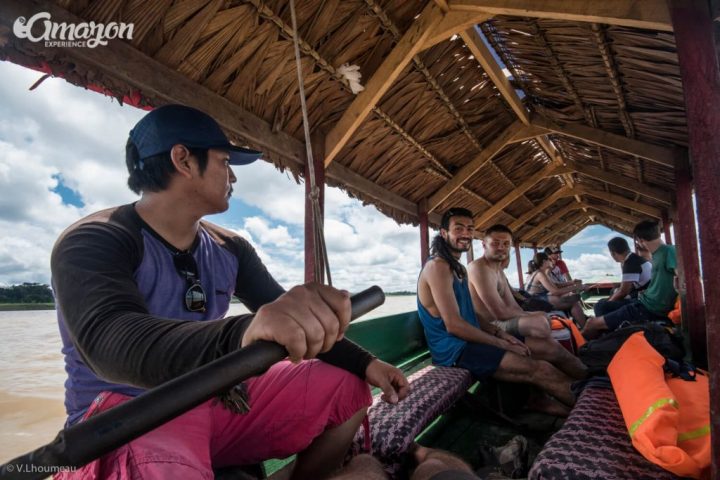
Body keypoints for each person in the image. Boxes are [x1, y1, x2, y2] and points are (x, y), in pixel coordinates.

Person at [51, 104, 409, 480]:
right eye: (224, 161)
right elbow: (110, 341)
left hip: (209, 399)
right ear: (184, 160)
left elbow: (290, 320)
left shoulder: (230, 247)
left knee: (347, 387)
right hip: (127, 417)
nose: (233, 177)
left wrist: (368, 364)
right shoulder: (95, 239)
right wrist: (243, 331)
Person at [416, 208, 578, 410]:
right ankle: (592, 412)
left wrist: (500, 333)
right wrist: (502, 344)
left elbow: (469, 313)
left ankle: (593, 383)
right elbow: (454, 326)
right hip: (455, 350)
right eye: (458, 228)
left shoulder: (457, 268)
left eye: (469, 229)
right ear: (443, 233)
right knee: (542, 369)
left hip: (472, 339)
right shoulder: (437, 267)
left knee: (550, 348)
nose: (466, 233)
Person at [468, 224, 586, 379]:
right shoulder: (478, 267)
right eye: (495, 243)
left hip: (503, 322)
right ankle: (585, 380)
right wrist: (535, 315)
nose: (501, 248)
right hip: (491, 326)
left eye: (506, 244)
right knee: (541, 324)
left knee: (553, 343)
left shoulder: (498, 271)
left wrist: (536, 314)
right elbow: (499, 312)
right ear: (484, 245)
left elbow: (512, 305)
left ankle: (589, 379)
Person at [583, 220, 677, 340]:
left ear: (640, 240)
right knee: (602, 307)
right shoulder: (657, 254)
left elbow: (623, 291)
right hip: (644, 301)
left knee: (592, 322)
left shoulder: (669, 251)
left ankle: (595, 346)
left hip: (649, 309)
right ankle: (609, 334)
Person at [593, 237, 652, 316]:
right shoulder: (633, 258)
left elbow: (623, 292)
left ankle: (603, 325)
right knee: (613, 292)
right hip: (645, 292)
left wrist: (608, 303)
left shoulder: (630, 262)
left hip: (644, 298)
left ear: (613, 253)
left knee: (600, 306)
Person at [526, 252, 588, 326]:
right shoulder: (540, 274)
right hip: (535, 302)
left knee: (570, 297)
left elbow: (556, 285)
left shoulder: (538, 273)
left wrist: (572, 282)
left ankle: (578, 325)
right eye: (549, 260)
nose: (551, 261)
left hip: (536, 299)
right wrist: (577, 287)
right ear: (544, 261)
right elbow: (555, 291)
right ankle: (586, 330)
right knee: (573, 302)